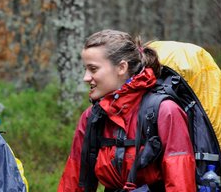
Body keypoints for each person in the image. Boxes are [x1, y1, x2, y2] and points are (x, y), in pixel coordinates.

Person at [58, 29, 196, 191]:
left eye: (93, 69)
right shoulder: (92, 117)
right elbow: (74, 181)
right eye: (85, 69)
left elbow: (180, 182)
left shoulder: (165, 111)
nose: (86, 77)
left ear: (121, 68)